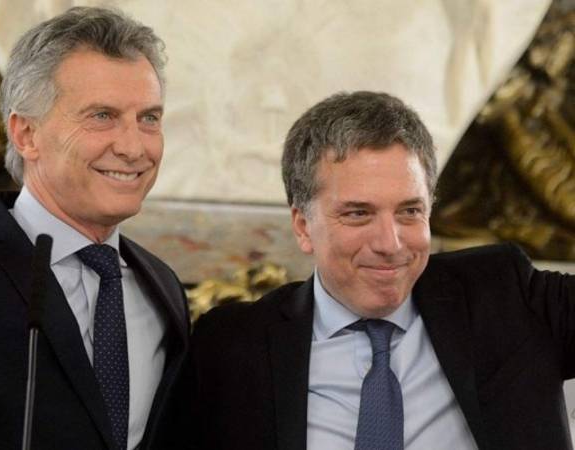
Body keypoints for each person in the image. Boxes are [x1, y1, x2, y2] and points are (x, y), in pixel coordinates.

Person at [189, 91, 575, 449]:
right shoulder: (232, 346)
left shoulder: (507, 296)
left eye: (410, 211)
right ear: (303, 226)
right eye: (358, 214)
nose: (390, 244)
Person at [0, 7, 190, 450]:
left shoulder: (162, 285)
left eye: (149, 118)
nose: (133, 147)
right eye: (102, 116)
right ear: (26, 134)